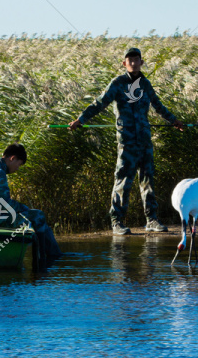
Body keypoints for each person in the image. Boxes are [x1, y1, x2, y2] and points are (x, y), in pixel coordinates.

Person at [70, 47, 185, 235]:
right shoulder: (117, 83)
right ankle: (117, 222)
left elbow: (158, 105)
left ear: (141, 62)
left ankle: (152, 220)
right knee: (123, 180)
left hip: (145, 141)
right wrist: (80, 120)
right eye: (129, 60)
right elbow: (99, 103)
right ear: (124, 63)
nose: (133, 62)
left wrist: (174, 121)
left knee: (148, 179)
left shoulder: (145, 84)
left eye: (136, 59)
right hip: (126, 141)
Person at [0, 143, 62, 266]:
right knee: (38, 216)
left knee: (35, 216)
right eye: (19, 164)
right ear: (12, 158)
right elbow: (5, 204)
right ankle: (47, 258)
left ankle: (50, 254)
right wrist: (24, 208)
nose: (17, 168)